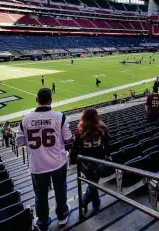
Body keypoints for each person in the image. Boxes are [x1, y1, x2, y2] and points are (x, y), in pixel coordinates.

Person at [16, 88, 73, 230]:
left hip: (37, 164)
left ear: (37, 100)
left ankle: (42, 222)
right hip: (57, 162)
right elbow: (68, 138)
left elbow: (19, 142)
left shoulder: (26, 119)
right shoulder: (59, 116)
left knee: (40, 194)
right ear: (51, 100)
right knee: (60, 190)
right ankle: (62, 215)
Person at [70, 108, 110, 214]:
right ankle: (95, 203)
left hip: (85, 162)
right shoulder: (102, 128)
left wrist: (72, 160)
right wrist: (108, 155)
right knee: (93, 183)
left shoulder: (80, 129)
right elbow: (107, 144)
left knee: (92, 183)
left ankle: (85, 200)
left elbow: (74, 147)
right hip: (99, 161)